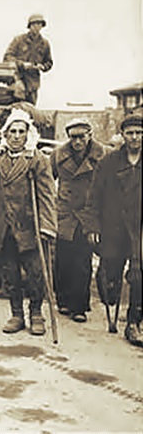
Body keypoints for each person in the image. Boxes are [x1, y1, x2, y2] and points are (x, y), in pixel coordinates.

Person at [0, 109, 56, 336]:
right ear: (6, 133)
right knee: (9, 272)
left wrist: (47, 225)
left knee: (35, 272)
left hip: (30, 225)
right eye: (13, 131)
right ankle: (17, 315)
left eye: (21, 131)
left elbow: (47, 194)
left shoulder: (37, 158)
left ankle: (37, 314)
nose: (17, 136)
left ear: (28, 134)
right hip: (3, 225)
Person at [84, 113, 142, 347]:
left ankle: (134, 322)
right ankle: (110, 286)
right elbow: (94, 196)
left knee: (139, 275)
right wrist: (92, 226)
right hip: (113, 227)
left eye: (139, 133)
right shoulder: (108, 163)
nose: (135, 137)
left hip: (139, 229)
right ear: (123, 136)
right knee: (111, 274)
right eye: (130, 133)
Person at [49, 118, 106, 322]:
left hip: (87, 215)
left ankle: (79, 307)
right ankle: (63, 301)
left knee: (82, 261)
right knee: (62, 260)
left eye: (81, 136)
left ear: (90, 135)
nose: (77, 141)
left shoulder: (102, 155)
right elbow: (47, 180)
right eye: (73, 137)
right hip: (64, 214)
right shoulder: (58, 155)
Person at [3, 14, 53, 105]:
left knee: (30, 110)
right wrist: (22, 64)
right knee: (15, 107)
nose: (36, 27)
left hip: (33, 83)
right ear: (30, 26)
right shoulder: (19, 40)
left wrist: (42, 66)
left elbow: (49, 62)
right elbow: (7, 57)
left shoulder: (44, 44)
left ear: (42, 26)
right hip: (17, 79)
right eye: (34, 24)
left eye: (39, 24)